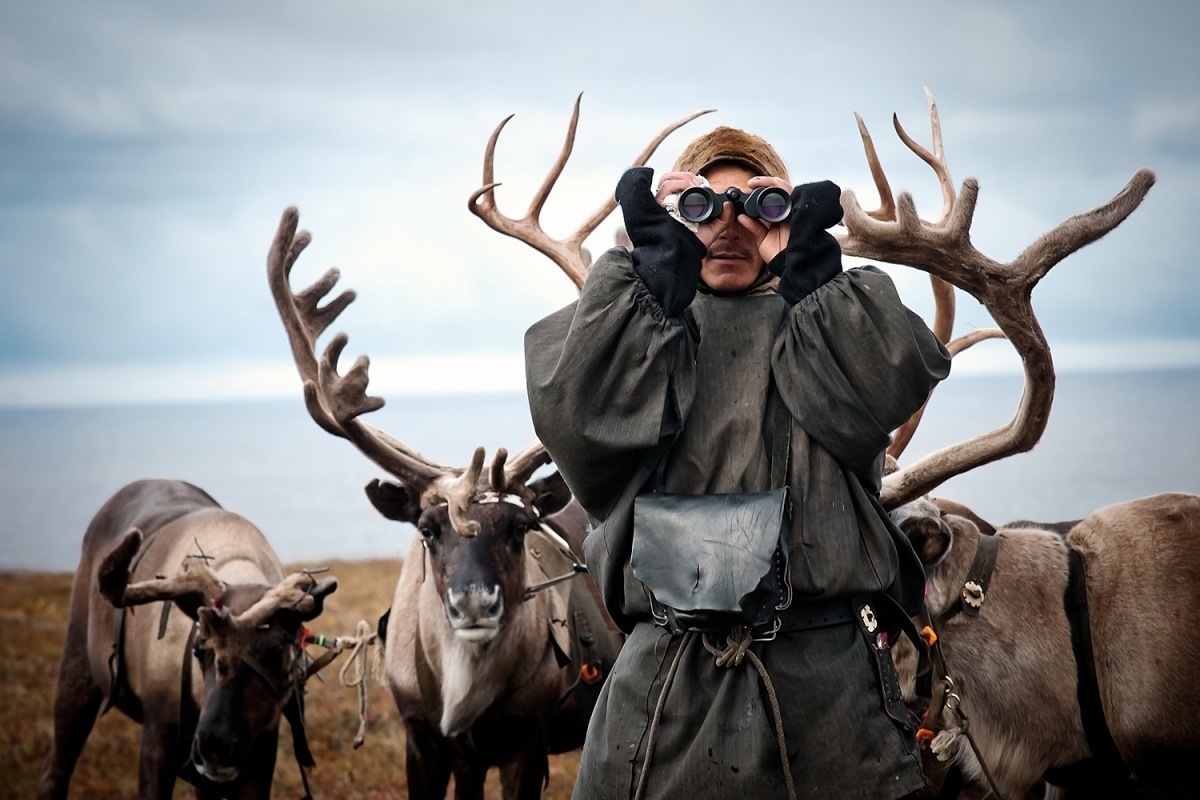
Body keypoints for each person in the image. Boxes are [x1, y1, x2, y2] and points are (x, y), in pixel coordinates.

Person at [524, 126, 951, 800]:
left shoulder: (826, 327)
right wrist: (647, 293)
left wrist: (813, 282)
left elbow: (891, 384)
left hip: (829, 701)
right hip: (665, 697)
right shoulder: (632, 336)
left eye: (754, 206)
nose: (727, 224)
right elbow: (577, 425)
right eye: (702, 205)